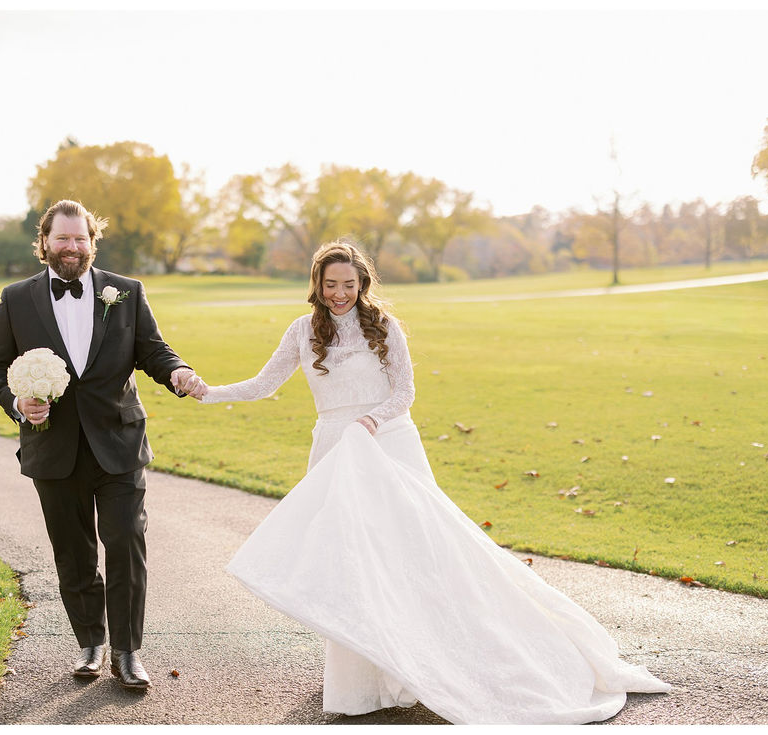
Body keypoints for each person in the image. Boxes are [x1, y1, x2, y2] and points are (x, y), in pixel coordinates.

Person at [199, 240, 671, 724]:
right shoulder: (303, 331)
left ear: (363, 285)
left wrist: (370, 422)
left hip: (388, 442)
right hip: (335, 451)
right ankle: (363, 682)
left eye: (349, 284)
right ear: (317, 286)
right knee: (353, 559)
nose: (339, 293)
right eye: (330, 284)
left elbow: (404, 391)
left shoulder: (384, 326)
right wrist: (208, 392)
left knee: (415, 552)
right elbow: (263, 385)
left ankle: (435, 660)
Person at [0, 199, 206, 691]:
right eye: (62, 238)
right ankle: (91, 642)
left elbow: (152, 349)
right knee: (73, 553)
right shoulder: (16, 298)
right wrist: (19, 403)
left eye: (80, 238)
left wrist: (178, 372)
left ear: (91, 242)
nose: (71, 247)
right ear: (44, 243)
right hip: (53, 448)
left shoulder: (125, 292)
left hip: (118, 443)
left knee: (126, 542)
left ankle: (127, 653)